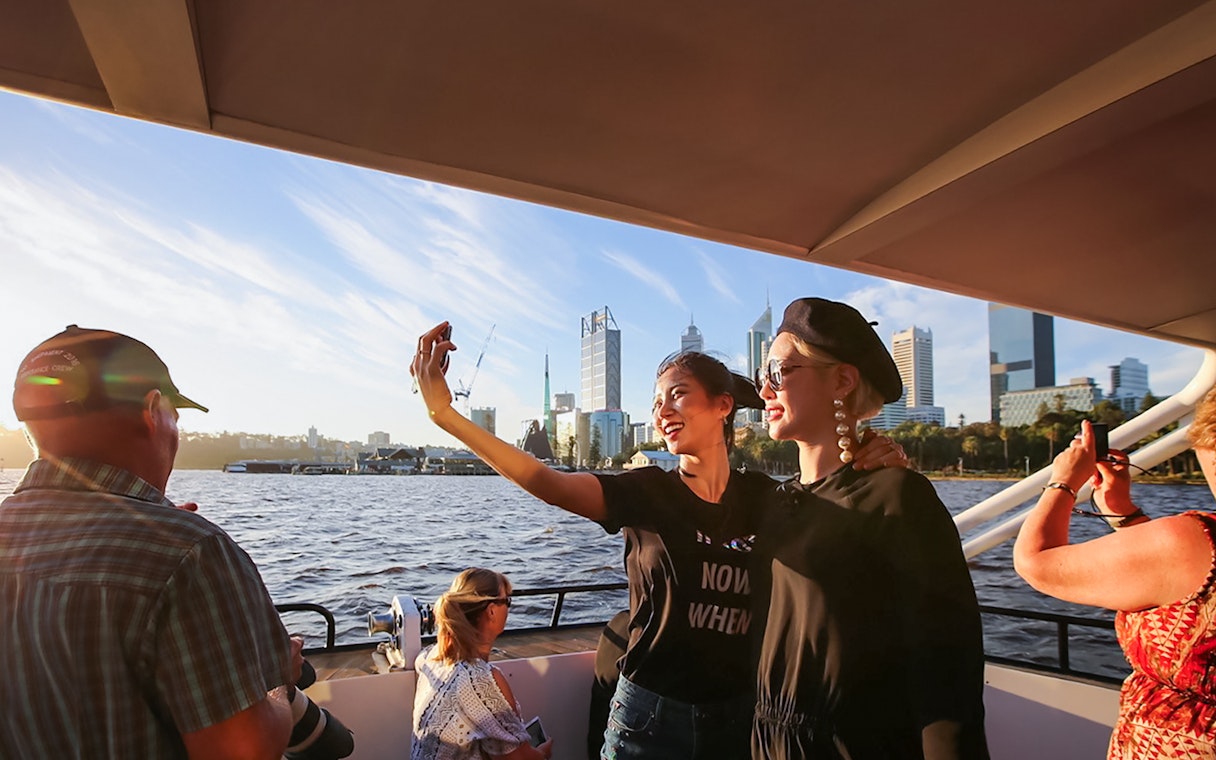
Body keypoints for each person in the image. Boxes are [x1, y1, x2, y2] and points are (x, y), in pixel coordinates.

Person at [413, 324, 908, 760]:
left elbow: (837, 503)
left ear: (722, 405)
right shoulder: (647, 491)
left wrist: (872, 456)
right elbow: (548, 481)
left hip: (741, 716)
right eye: (656, 403)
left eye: (677, 395)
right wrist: (445, 416)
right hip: (648, 719)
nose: (662, 411)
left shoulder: (768, 498)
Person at [0, 325, 296, 759]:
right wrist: (278, 684)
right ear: (152, 409)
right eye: (176, 415)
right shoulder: (190, 553)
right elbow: (243, 752)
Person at [751, 298, 990, 759]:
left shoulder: (898, 499)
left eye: (779, 373)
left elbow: (947, 677)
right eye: (764, 376)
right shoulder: (774, 503)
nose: (765, 391)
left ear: (842, 380)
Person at [1014, 406, 1216, 758]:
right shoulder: (1190, 546)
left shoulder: (1197, 539)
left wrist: (1064, 481)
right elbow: (1172, 576)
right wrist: (1121, 509)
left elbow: (1036, 562)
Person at [412, 568, 554, 760]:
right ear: (492, 611)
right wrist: (543, 752)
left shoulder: (432, 655)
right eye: (507, 601)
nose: (509, 609)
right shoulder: (479, 680)